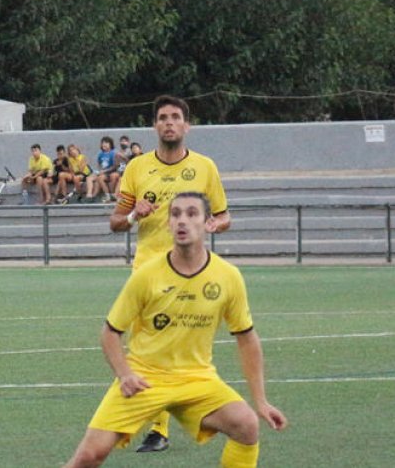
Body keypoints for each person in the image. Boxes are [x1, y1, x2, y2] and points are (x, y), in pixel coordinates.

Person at [65, 192, 286, 468]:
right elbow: (110, 331)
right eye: (176, 214)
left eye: (192, 214)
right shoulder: (146, 275)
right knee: (88, 457)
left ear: (209, 223)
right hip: (145, 376)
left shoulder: (228, 277)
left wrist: (261, 401)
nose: (182, 221)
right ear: (168, 224)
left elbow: (247, 338)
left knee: (247, 424)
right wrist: (124, 374)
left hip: (196, 379)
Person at [107, 95, 231, 452]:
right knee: (142, 349)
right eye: (163, 118)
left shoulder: (205, 167)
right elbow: (116, 222)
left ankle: (159, 428)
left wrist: (212, 224)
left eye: (176, 117)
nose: (169, 123)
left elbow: (224, 215)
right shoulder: (137, 168)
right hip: (147, 273)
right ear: (155, 126)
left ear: (187, 126)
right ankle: (149, 423)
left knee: (179, 347)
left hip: (191, 273)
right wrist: (134, 215)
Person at [93, 136, 119, 203]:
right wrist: (99, 171)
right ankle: (107, 195)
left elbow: (115, 166)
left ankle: (113, 194)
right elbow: (99, 164)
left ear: (110, 144)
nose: (104, 144)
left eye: (106, 143)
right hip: (104, 173)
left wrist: (104, 171)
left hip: (112, 172)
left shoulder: (113, 153)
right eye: (103, 143)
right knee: (100, 178)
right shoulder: (100, 154)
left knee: (113, 176)